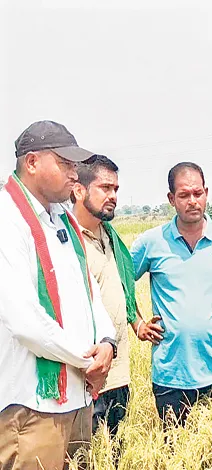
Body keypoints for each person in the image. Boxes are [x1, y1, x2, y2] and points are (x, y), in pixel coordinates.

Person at [0, 121, 116, 470]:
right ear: (32, 162)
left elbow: (90, 292)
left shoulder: (62, 219)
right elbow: (25, 322)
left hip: (77, 398)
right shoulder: (8, 220)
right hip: (32, 406)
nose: (74, 173)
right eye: (64, 163)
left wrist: (106, 343)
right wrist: (87, 361)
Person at [130, 162, 212, 426]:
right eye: (184, 195)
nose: (192, 201)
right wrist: (137, 323)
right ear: (171, 199)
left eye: (198, 193)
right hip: (170, 373)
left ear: (207, 193)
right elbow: (120, 283)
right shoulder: (152, 242)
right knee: (174, 446)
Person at [70, 155, 162, 437]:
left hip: (118, 373)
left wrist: (137, 323)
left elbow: (120, 288)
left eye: (116, 189)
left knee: (115, 451)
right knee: (84, 453)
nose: (113, 196)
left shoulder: (110, 237)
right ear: (79, 190)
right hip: (86, 374)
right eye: (105, 188)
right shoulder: (65, 239)